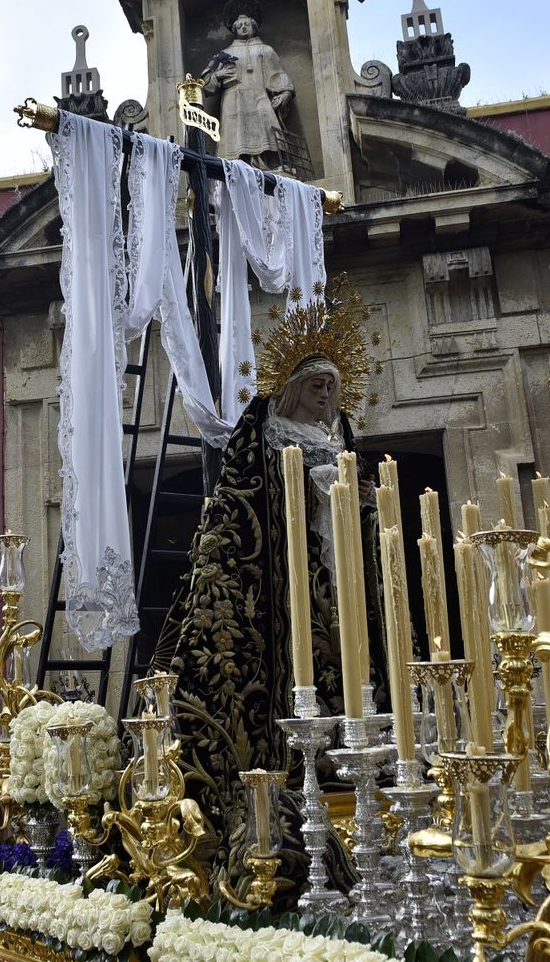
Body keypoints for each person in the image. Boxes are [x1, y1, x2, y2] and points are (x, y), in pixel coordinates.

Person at [151, 276, 386, 900]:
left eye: (332, 388)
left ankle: (353, 748)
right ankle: (293, 761)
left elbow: (360, 498)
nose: (325, 397)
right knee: (300, 651)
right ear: (295, 387)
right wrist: (307, 485)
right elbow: (247, 503)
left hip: (338, 562)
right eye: (316, 385)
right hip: (287, 565)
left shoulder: (341, 439)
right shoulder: (270, 433)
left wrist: (361, 500)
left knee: (349, 646)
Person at [201, 0, 295, 169]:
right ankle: (236, 168)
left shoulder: (266, 50)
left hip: (259, 97)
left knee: (265, 128)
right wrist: (220, 74)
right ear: (234, 29)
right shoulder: (224, 53)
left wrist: (285, 95)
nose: (243, 27)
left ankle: (267, 165)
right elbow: (205, 82)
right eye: (239, 25)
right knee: (235, 136)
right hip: (232, 100)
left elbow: (278, 75)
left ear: (254, 26)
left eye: (247, 24)